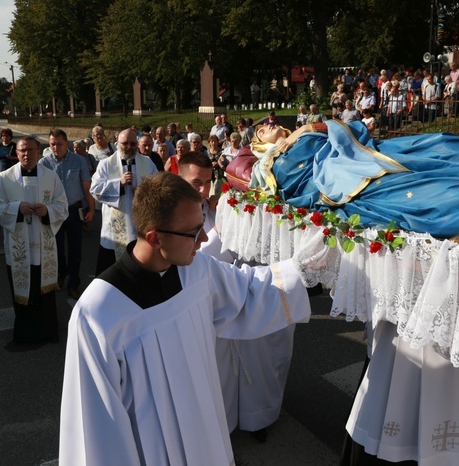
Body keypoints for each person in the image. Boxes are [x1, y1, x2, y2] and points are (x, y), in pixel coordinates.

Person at [59, 170, 335, 465]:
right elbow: (96, 428)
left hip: (207, 437)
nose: (204, 238)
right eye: (193, 231)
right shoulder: (98, 312)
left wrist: (306, 267)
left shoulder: (196, 269)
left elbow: (250, 291)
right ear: (154, 237)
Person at [0, 136, 69, 345]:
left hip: (44, 248)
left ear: (38, 151)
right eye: (22, 150)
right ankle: (25, 336)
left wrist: (47, 210)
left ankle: (47, 334)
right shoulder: (4, 178)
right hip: (19, 250)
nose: (26, 154)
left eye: (30, 150)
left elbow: (63, 205)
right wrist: (16, 209)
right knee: (23, 293)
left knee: (45, 294)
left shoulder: (51, 177)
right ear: (17, 152)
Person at [90, 128, 158, 276]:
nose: (129, 147)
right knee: (110, 274)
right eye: (125, 143)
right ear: (117, 144)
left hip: (140, 227)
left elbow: (158, 189)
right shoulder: (106, 164)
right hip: (113, 231)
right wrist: (118, 184)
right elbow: (94, 190)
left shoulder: (147, 163)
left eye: (133, 143)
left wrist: (143, 192)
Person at [39, 129, 95, 300]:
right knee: (56, 249)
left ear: (67, 143)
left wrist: (91, 209)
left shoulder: (79, 161)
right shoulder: (44, 163)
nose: (56, 147)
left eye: (59, 144)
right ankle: (61, 273)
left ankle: (73, 283)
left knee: (75, 249)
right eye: (52, 144)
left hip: (74, 210)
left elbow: (86, 187)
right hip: (53, 212)